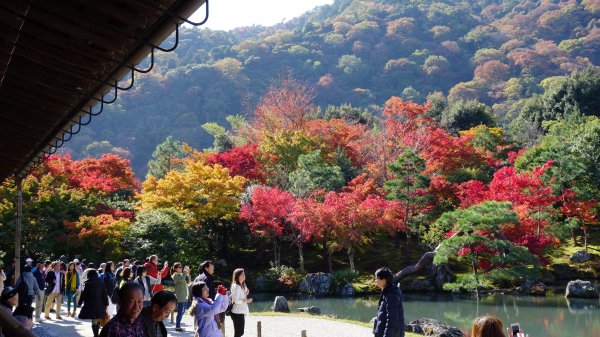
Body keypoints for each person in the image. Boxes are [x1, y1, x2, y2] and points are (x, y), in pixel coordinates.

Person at [373, 267, 404, 337]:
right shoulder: (386, 293)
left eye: (377, 278)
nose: (375, 280)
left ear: (384, 280)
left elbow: (392, 319)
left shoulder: (391, 295)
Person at [78, 270, 108, 337]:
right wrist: (106, 303)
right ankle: (96, 334)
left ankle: (96, 335)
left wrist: (79, 303)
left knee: (94, 320)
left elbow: (83, 294)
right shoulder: (101, 282)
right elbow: (105, 293)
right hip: (101, 304)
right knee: (97, 319)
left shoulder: (88, 283)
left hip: (91, 305)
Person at [230, 268, 252, 337]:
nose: (244, 275)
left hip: (240, 312)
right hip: (237, 312)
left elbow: (240, 297)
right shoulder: (237, 286)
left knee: (240, 332)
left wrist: (245, 293)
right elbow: (236, 301)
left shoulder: (242, 285)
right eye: (242, 274)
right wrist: (246, 300)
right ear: (237, 276)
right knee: (238, 333)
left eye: (244, 274)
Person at [171, 263, 191, 332]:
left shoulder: (182, 275)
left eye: (181, 267)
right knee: (180, 312)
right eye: (179, 267)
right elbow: (181, 280)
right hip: (180, 296)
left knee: (183, 311)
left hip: (185, 296)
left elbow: (189, 281)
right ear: (175, 268)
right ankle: (177, 326)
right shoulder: (175, 275)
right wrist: (185, 272)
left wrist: (188, 274)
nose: (181, 268)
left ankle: (178, 325)